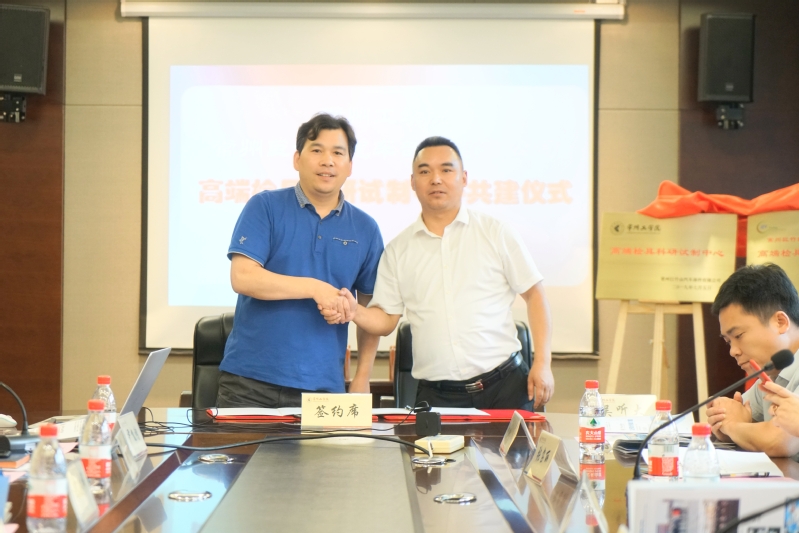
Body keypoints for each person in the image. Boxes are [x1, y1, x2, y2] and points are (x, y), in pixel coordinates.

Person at [322, 136, 554, 410]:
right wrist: (355, 311)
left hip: (506, 387)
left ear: (464, 178)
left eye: (446, 169)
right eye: (424, 172)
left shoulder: (495, 232)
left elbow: (535, 295)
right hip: (437, 396)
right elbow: (385, 319)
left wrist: (543, 363)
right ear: (412, 182)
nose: (435, 179)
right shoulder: (398, 250)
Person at [216, 113, 383, 408]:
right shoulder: (264, 207)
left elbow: (369, 310)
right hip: (248, 383)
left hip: (323, 388)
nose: (327, 161)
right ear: (297, 159)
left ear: (349, 166)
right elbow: (242, 277)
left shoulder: (366, 228)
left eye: (338, 153)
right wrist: (315, 288)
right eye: (317, 150)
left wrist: (362, 377)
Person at [706, 263, 799, 457]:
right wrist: (727, 426)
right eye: (728, 341)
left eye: (738, 336)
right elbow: (743, 422)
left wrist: (732, 426)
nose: (733, 351)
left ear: (780, 322)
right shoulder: (770, 375)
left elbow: (778, 441)